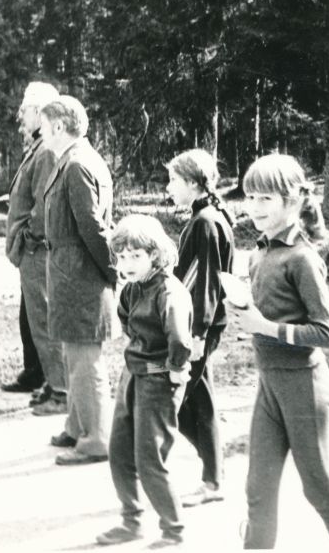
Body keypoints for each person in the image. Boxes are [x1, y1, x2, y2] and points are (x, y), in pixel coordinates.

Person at [227, 154, 329, 549]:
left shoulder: (303, 258)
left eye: (265, 199)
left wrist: (265, 327)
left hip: (303, 385)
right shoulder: (259, 251)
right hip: (269, 385)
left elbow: (325, 332)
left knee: (317, 487)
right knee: (257, 488)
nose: (253, 208)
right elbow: (267, 308)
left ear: (292, 202)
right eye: (249, 198)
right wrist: (242, 304)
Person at [97, 214, 193, 549]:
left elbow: (180, 341)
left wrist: (174, 370)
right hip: (132, 375)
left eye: (135, 255)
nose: (126, 263)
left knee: (149, 457)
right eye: (121, 256)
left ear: (154, 254)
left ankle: (173, 530)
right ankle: (131, 520)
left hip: (157, 379)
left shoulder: (169, 292)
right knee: (119, 451)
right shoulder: (132, 289)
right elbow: (128, 324)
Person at [40, 95, 116, 465]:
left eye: (43, 125)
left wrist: (113, 271)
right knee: (75, 354)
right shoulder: (74, 160)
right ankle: (76, 425)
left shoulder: (76, 164)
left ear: (58, 126)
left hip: (81, 275)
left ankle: (95, 439)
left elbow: (93, 228)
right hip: (72, 273)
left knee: (86, 359)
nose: (40, 132)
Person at [165, 149, 235, 507]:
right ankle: (213, 475)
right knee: (196, 400)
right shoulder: (206, 216)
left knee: (174, 400)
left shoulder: (206, 221)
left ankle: (211, 476)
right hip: (197, 322)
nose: (168, 187)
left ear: (193, 183)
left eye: (174, 180)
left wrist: (197, 334)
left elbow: (205, 282)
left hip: (198, 324)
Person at [3, 81, 69, 416]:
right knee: (37, 319)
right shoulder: (39, 148)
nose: (21, 116)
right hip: (31, 249)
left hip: (37, 250)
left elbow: (45, 203)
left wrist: (28, 236)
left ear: (41, 112)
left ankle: (62, 391)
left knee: (44, 319)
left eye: (26, 110)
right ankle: (52, 383)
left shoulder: (45, 152)